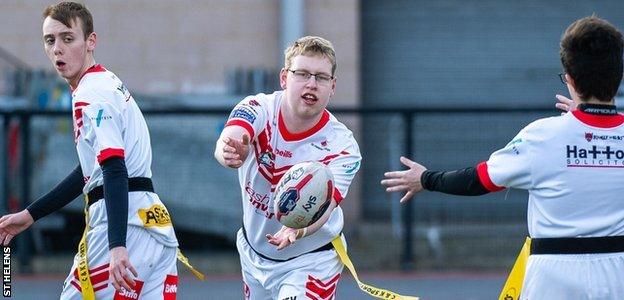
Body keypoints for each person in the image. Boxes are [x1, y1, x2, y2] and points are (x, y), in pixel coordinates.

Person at [382, 16, 624, 299]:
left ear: (569, 78)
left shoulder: (543, 136)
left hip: (554, 276)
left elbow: (479, 180)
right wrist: (586, 120)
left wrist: (425, 179)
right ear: (618, 75)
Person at [0, 2, 179, 299]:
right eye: (50, 40)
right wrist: (32, 214)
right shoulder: (107, 83)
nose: (58, 48)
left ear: (90, 41)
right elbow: (91, 171)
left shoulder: (90, 93)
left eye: (68, 38)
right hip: (154, 227)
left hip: (125, 228)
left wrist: (117, 245)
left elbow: (113, 169)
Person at [214, 36, 361, 299]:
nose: (312, 84)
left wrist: (298, 228)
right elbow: (229, 139)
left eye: (321, 77)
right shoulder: (257, 107)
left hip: (311, 259)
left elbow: (327, 206)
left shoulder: (343, 146)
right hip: (254, 252)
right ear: (284, 78)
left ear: (333, 86)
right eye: (302, 74)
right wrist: (230, 152)